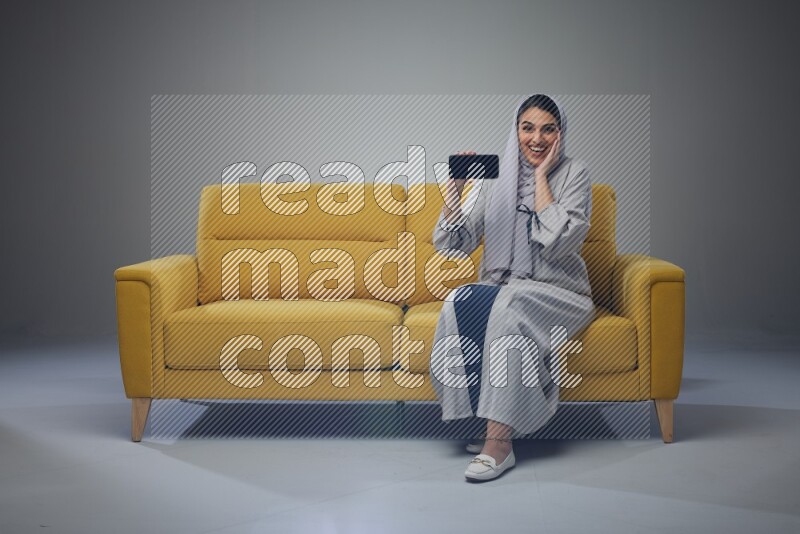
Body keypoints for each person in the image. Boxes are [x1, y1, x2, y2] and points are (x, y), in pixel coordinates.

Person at [430, 94, 596, 482]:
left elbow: (560, 241)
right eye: (527, 128)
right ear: (516, 131)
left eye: (547, 129)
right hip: (505, 289)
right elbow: (453, 243)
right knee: (459, 299)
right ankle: (489, 419)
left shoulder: (575, 173)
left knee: (508, 306)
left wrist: (540, 179)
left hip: (559, 292)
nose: (536, 138)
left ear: (560, 134)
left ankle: (500, 444)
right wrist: (456, 189)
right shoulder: (496, 181)